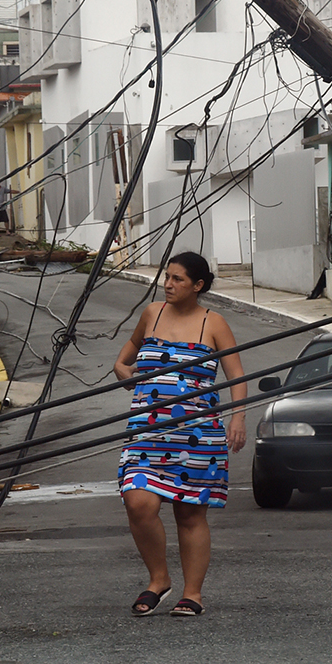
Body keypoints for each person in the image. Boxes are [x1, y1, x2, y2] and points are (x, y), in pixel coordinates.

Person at [113, 251, 247, 617]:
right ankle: (159, 579)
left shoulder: (213, 323)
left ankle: (193, 594)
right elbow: (123, 360)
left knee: (189, 515)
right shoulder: (151, 314)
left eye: (178, 279)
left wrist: (238, 418)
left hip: (196, 436)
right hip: (146, 433)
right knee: (138, 502)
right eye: (167, 277)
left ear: (197, 285)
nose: (168, 285)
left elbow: (237, 376)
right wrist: (124, 372)